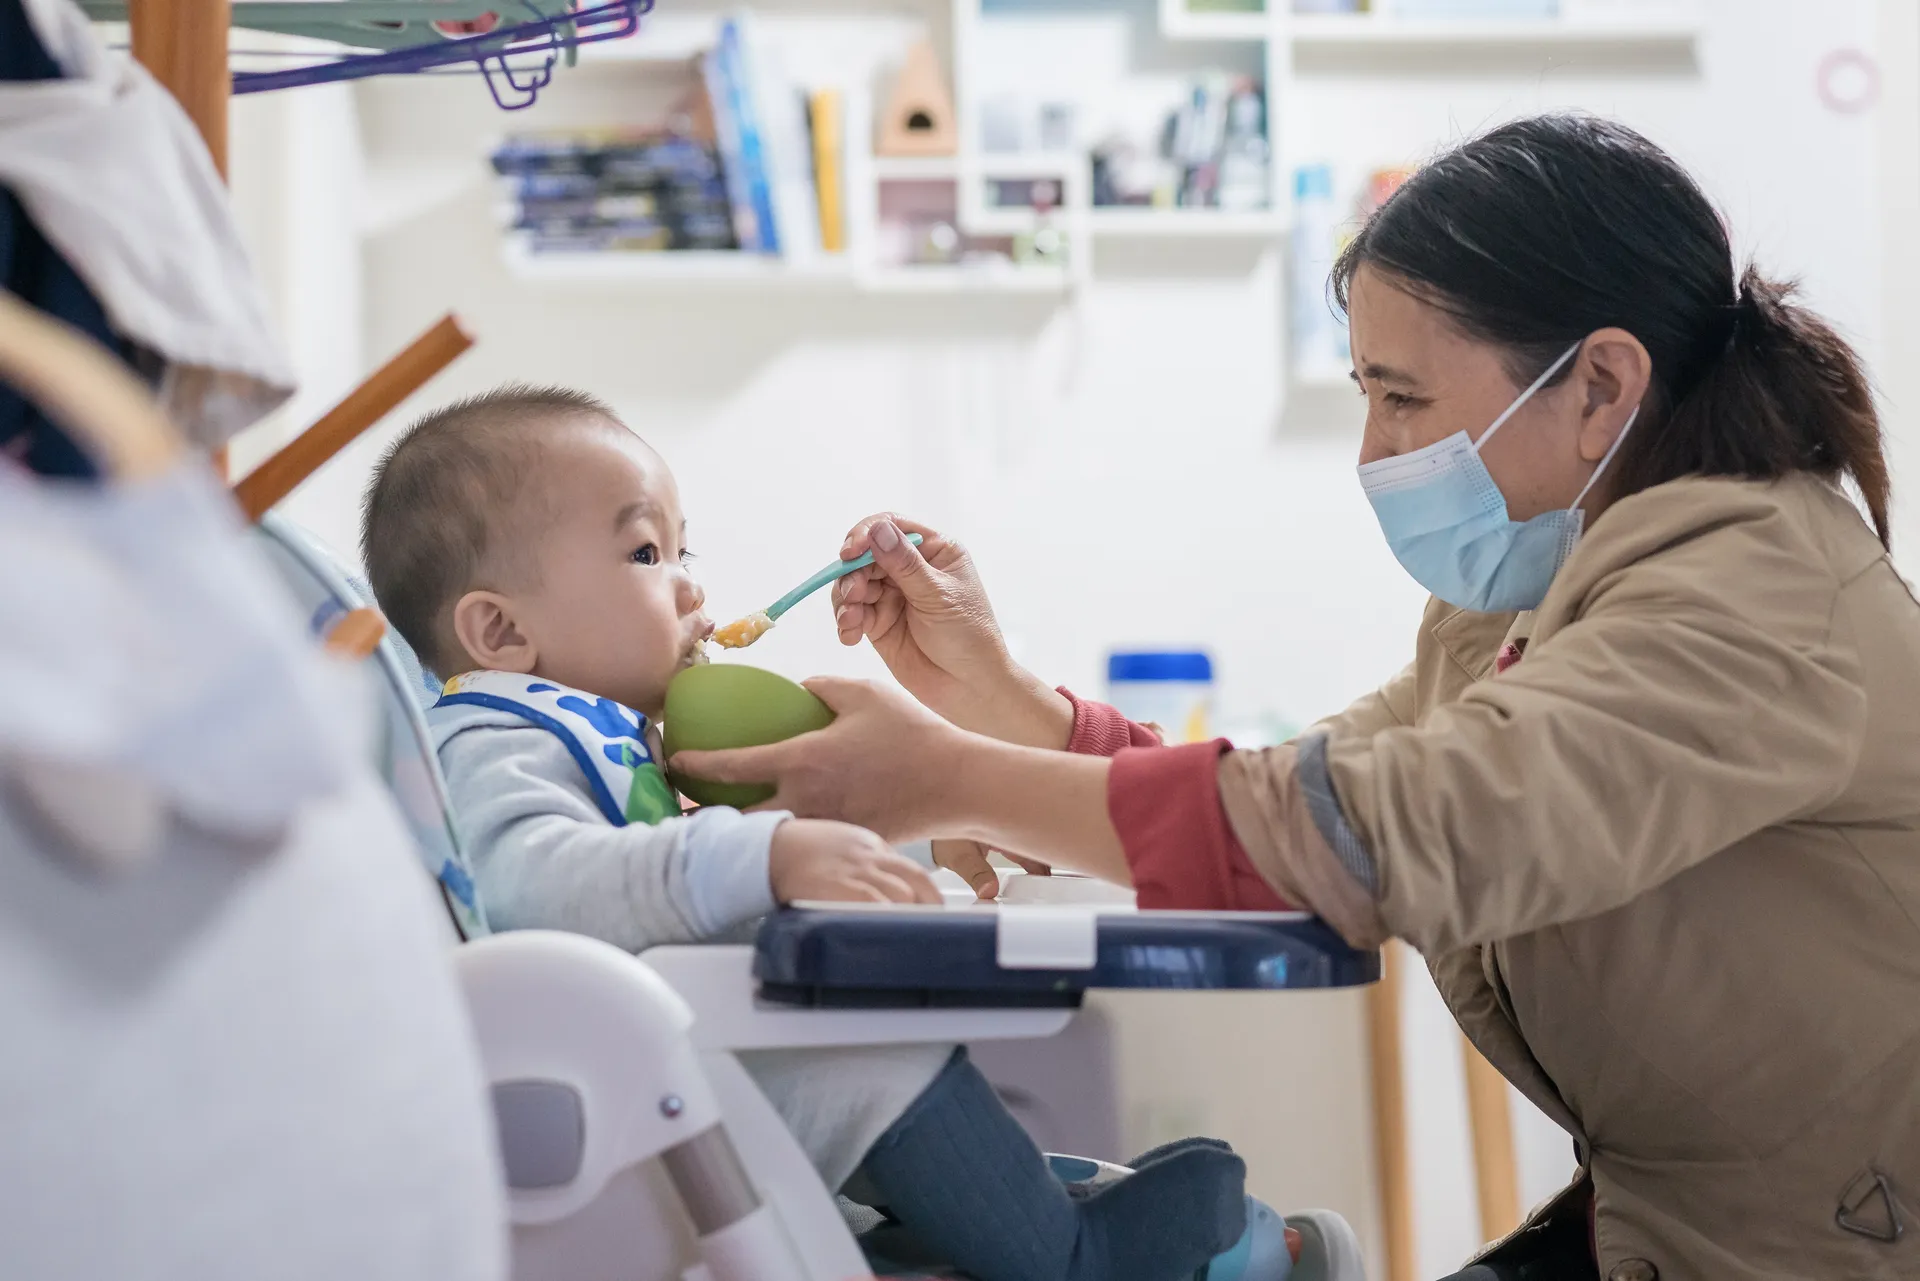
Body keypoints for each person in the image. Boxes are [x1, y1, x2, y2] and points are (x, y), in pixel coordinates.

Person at [670, 114, 1920, 1281]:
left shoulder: (1749, 591)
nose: (1375, 454)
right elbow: (1308, 789)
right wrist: (1000, 708)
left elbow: (1376, 828)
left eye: (1405, 398)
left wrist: (947, 777)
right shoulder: (1536, 592)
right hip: (1670, 1221)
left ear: (1599, 386)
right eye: (1368, 399)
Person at [362, 384, 1346, 1281]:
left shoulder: (611, 737)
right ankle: (1097, 1253)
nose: (692, 588)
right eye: (645, 554)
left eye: (683, 551)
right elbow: (541, 888)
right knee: (895, 1073)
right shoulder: (494, 736)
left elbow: (703, 868)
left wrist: (905, 834)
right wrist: (768, 854)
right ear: (498, 634)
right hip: (707, 1103)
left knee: (907, 1077)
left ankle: (1046, 1216)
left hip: (753, 1090)